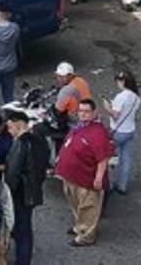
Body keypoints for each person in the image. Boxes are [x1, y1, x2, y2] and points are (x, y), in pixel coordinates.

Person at [54, 99, 113, 247]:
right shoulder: (78, 127)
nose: (83, 114)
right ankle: (79, 227)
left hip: (86, 180)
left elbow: (103, 159)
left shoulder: (98, 133)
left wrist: (99, 178)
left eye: (87, 111)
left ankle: (86, 236)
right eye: (80, 111)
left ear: (94, 113)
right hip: (70, 177)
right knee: (77, 205)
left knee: (88, 208)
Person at [3, 110, 49, 265]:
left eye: (10, 127)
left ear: (17, 123)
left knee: (21, 230)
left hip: (20, 194)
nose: (9, 132)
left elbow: (12, 172)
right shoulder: (39, 141)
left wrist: (7, 193)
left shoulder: (21, 144)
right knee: (25, 229)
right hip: (33, 191)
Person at [104, 70, 141, 194]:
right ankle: (122, 186)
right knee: (126, 158)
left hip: (118, 132)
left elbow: (115, 115)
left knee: (110, 158)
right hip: (130, 130)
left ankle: (109, 184)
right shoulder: (136, 97)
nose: (117, 84)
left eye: (118, 81)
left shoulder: (121, 97)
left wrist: (107, 106)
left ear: (123, 82)